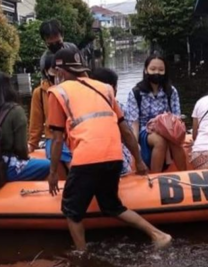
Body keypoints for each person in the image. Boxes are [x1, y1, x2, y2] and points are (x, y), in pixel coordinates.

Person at [46, 48, 171, 251]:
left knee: (71, 212)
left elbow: (57, 139)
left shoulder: (58, 92)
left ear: (60, 71)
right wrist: (138, 160)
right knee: (112, 206)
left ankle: (82, 255)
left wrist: (52, 173)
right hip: (113, 156)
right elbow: (126, 131)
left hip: (87, 157)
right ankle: (158, 234)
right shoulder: (105, 88)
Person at [0, 71, 50, 181]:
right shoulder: (16, 111)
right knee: (50, 165)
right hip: (5, 167)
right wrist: (26, 157)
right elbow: (21, 149)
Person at [124, 54, 187, 173]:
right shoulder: (136, 93)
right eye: (152, 69)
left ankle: (185, 174)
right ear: (146, 70)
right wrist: (135, 146)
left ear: (165, 72)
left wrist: (175, 133)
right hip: (145, 129)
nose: (156, 72)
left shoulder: (171, 91)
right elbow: (134, 122)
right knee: (159, 140)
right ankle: (156, 177)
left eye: (161, 70)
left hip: (168, 128)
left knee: (175, 141)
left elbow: (176, 117)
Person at [28, 56, 72, 168]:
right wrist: (32, 144)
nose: (57, 74)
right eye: (54, 70)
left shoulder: (72, 87)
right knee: (59, 152)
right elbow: (36, 122)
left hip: (73, 134)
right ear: (46, 71)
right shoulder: (39, 93)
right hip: (53, 136)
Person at [91, 67, 133, 176]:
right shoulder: (120, 108)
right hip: (115, 155)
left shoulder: (84, 109)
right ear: (112, 88)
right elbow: (128, 134)